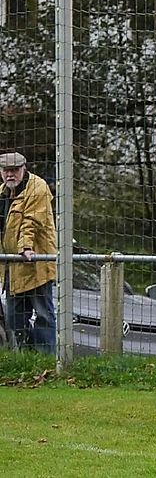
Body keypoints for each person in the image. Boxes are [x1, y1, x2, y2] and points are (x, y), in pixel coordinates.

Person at [0, 152, 56, 355]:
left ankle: (47, 359)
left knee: (43, 314)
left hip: (36, 263)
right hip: (12, 268)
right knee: (15, 318)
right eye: (6, 171)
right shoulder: (3, 193)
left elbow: (31, 221)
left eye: (14, 170)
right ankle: (24, 357)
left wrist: (25, 248)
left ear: (24, 169)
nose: (10, 175)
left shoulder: (38, 188)